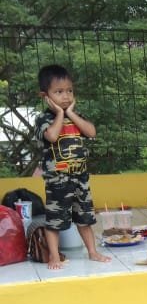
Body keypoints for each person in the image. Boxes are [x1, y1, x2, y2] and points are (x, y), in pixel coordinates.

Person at [33, 64, 111, 271]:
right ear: (45, 96)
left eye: (69, 91)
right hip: (57, 180)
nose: (66, 96)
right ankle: (54, 256)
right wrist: (59, 113)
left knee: (84, 217)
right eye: (59, 92)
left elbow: (91, 132)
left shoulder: (77, 115)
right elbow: (51, 136)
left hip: (80, 178)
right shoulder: (43, 119)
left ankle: (92, 252)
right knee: (55, 220)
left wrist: (71, 113)